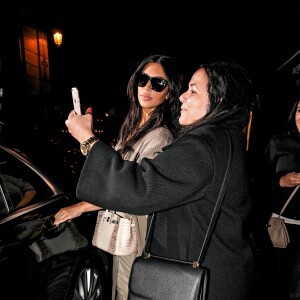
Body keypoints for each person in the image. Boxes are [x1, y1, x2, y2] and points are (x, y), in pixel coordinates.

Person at [63, 59, 257, 300]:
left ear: (218, 100)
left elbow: (139, 188)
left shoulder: (203, 144)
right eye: (142, 80)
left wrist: (87, 138)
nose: (183, 96)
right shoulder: (224, 138)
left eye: (193, 90)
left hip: (206, 283)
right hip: (222, 274)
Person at [54, 54, 182, 300]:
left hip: (136, 235)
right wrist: (85, 141)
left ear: (169, 93)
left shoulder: (161, 137)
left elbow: (127, 188)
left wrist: (79, 207)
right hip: (122, 229)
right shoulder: (132, 125)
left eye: (158, 83)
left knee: (127, 291)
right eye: (143, 80)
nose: (146, 88)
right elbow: (111, 173)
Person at [264, 98, 300, 299]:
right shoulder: (279, 143)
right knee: (276, 284)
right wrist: (280, 181)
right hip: (282, 228)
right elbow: (256, 181)